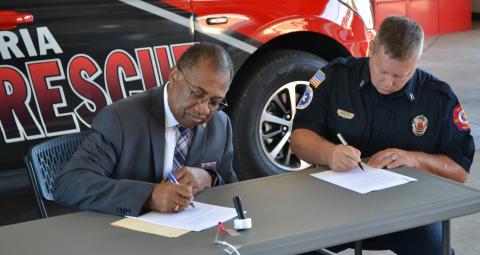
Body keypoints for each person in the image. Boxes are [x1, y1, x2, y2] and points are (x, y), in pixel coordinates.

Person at [291, 16, 475, 254]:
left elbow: (460, 170)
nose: (388, 82)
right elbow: (299, 137)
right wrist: (329, 153)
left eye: (401, 76)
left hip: (410, 210)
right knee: (293, 245)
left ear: (417, 61)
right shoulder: (335, 77)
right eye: (382, 71)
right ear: (370, 49)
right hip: (336, 202)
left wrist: (416, 160)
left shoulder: (437, 98)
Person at [54, 42, 238, 216]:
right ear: (174, 76)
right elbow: (70, 184)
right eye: (197, 94)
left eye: (215, 102)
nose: (203, 109)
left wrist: (208, 178)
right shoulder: (120, 119)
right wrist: (148, 196)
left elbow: (231, 185)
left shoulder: (220, 125)